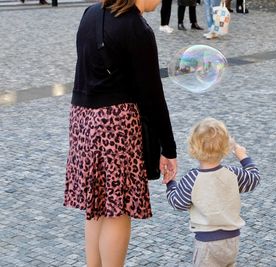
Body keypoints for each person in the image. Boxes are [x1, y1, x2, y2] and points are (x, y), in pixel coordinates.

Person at [63, 0, 178, 266]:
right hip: (116, 125)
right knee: (118, 209)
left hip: (82, 119)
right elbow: (152, 96)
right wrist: (168, 149)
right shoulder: (136, 27)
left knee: (96, 208)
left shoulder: (90, 13)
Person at [166, 117, 261, 267]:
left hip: (207, 244)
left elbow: (178, 202)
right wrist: (243, 156)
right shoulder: (233, 173)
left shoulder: (192, 178)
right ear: (226, 147)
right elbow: (254, 179)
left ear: (192, 148)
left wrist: (170, 183)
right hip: (232, 240)